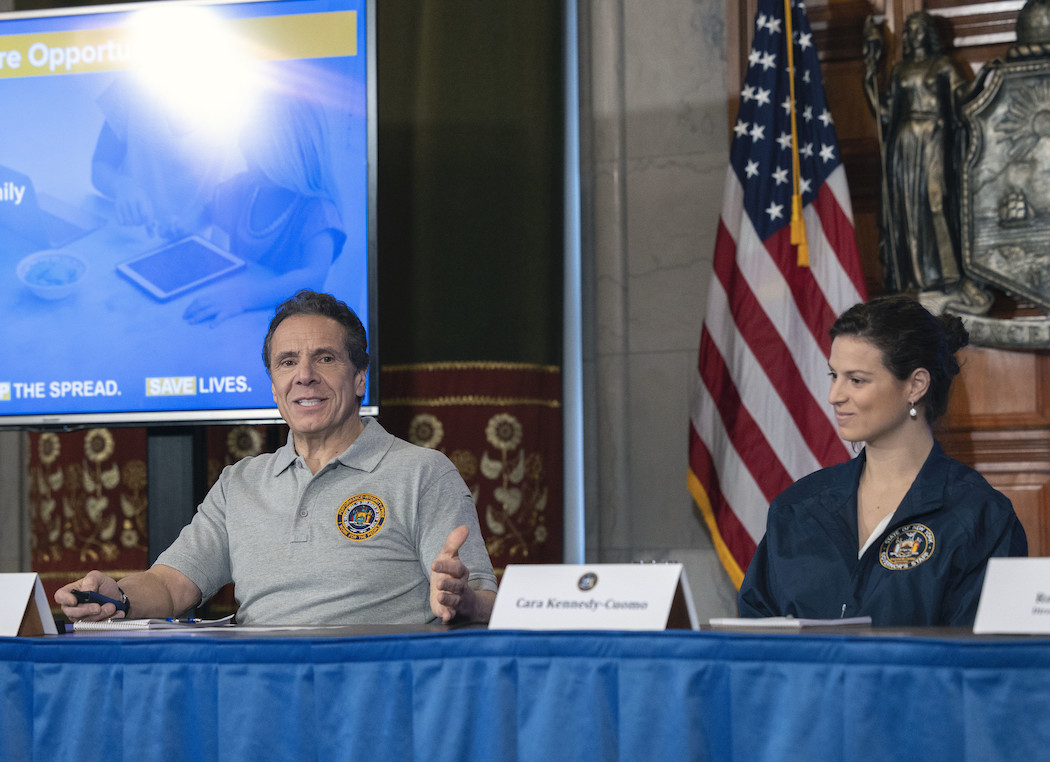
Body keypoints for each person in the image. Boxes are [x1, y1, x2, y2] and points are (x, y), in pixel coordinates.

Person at [56, 290, 497, 625]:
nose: (304, 376)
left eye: (324, 358)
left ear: (360, 377)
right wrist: (117, 597)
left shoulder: (422, 472)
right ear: (273, 386)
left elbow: (485, 601)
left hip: (374, 700)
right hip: (257, 699)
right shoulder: (241, 483)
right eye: (287, 363)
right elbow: (171, 586)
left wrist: (464, 599)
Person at [738, 295, 1027, 626]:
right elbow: (755, 639)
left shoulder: (980, 515)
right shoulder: (797, 507)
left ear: (915, 385)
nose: (834, 396)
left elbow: (980, 662)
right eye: (834, 375)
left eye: (856, 380)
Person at [863, 12, 990, 313]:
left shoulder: (943, 65)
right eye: (909, 30)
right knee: (907, 208)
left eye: (920, 29)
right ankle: (915, 278)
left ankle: (947, 275)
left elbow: (965, 97)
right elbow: (884, 112)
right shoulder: (899, 70)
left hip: (935, 139)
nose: (914, 35)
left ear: (929, 34)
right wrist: (869, 72)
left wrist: (987, 79)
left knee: (936, 201)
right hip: (904, 142)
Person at [182, 93, 346, 326]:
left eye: (260, 159)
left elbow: (313, 277)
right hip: (234, 319)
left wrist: (244, 298)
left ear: (292, 157)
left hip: (285, 326)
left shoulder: (317, 211)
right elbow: (207, 211)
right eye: (248, 152)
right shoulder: (246, 187)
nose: (249, 161)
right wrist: (183, 226)